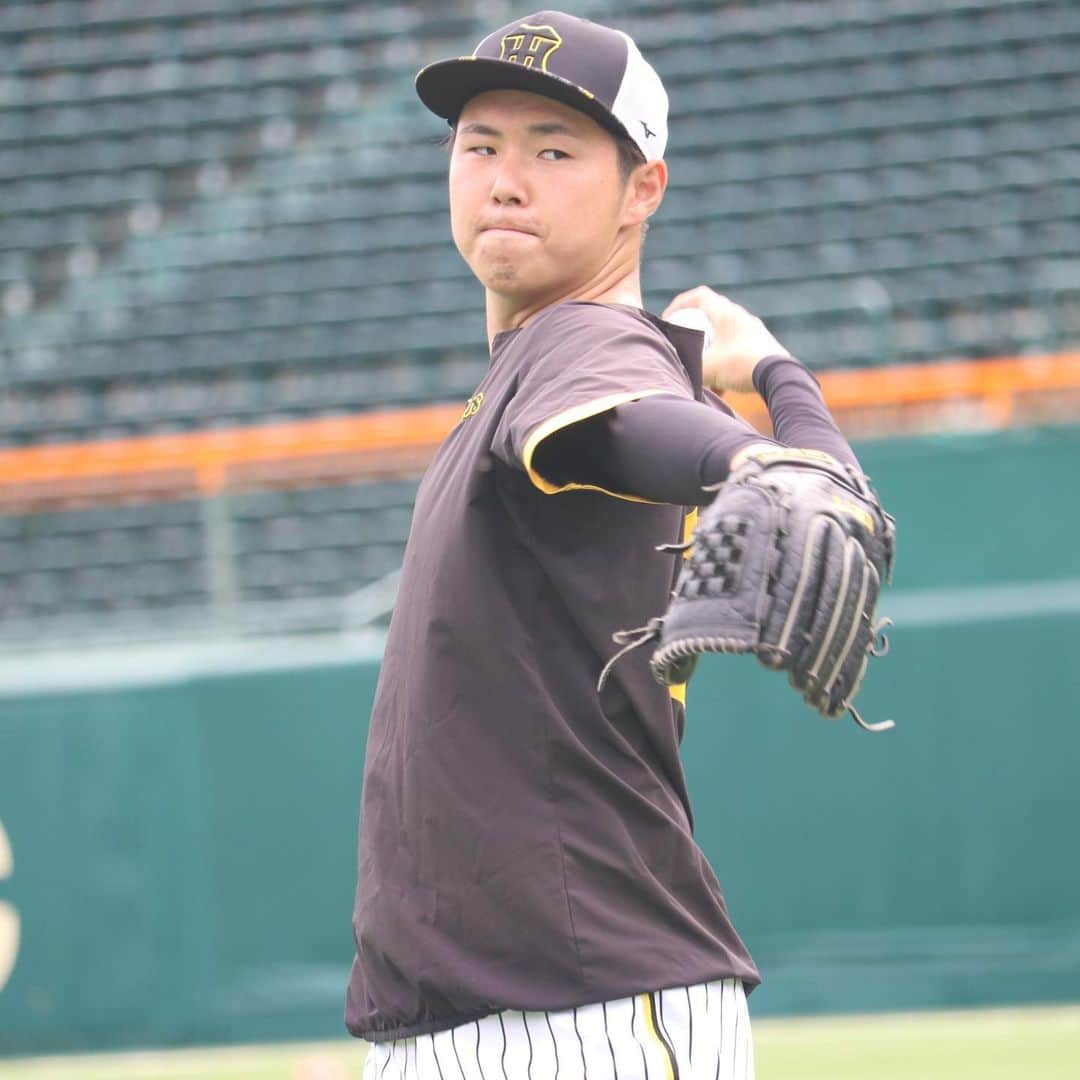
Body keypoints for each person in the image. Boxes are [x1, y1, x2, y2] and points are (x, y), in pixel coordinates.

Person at [345, 11, 861, 1078]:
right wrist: (780, 391)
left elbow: (625, 420)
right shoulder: (537, 368)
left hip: (583, 1020)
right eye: (479, 143)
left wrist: (743, 457)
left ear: (643, 190)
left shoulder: (579, 342)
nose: (505, 176)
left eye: (554, 148)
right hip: (512, 1010)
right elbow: (822, 490)